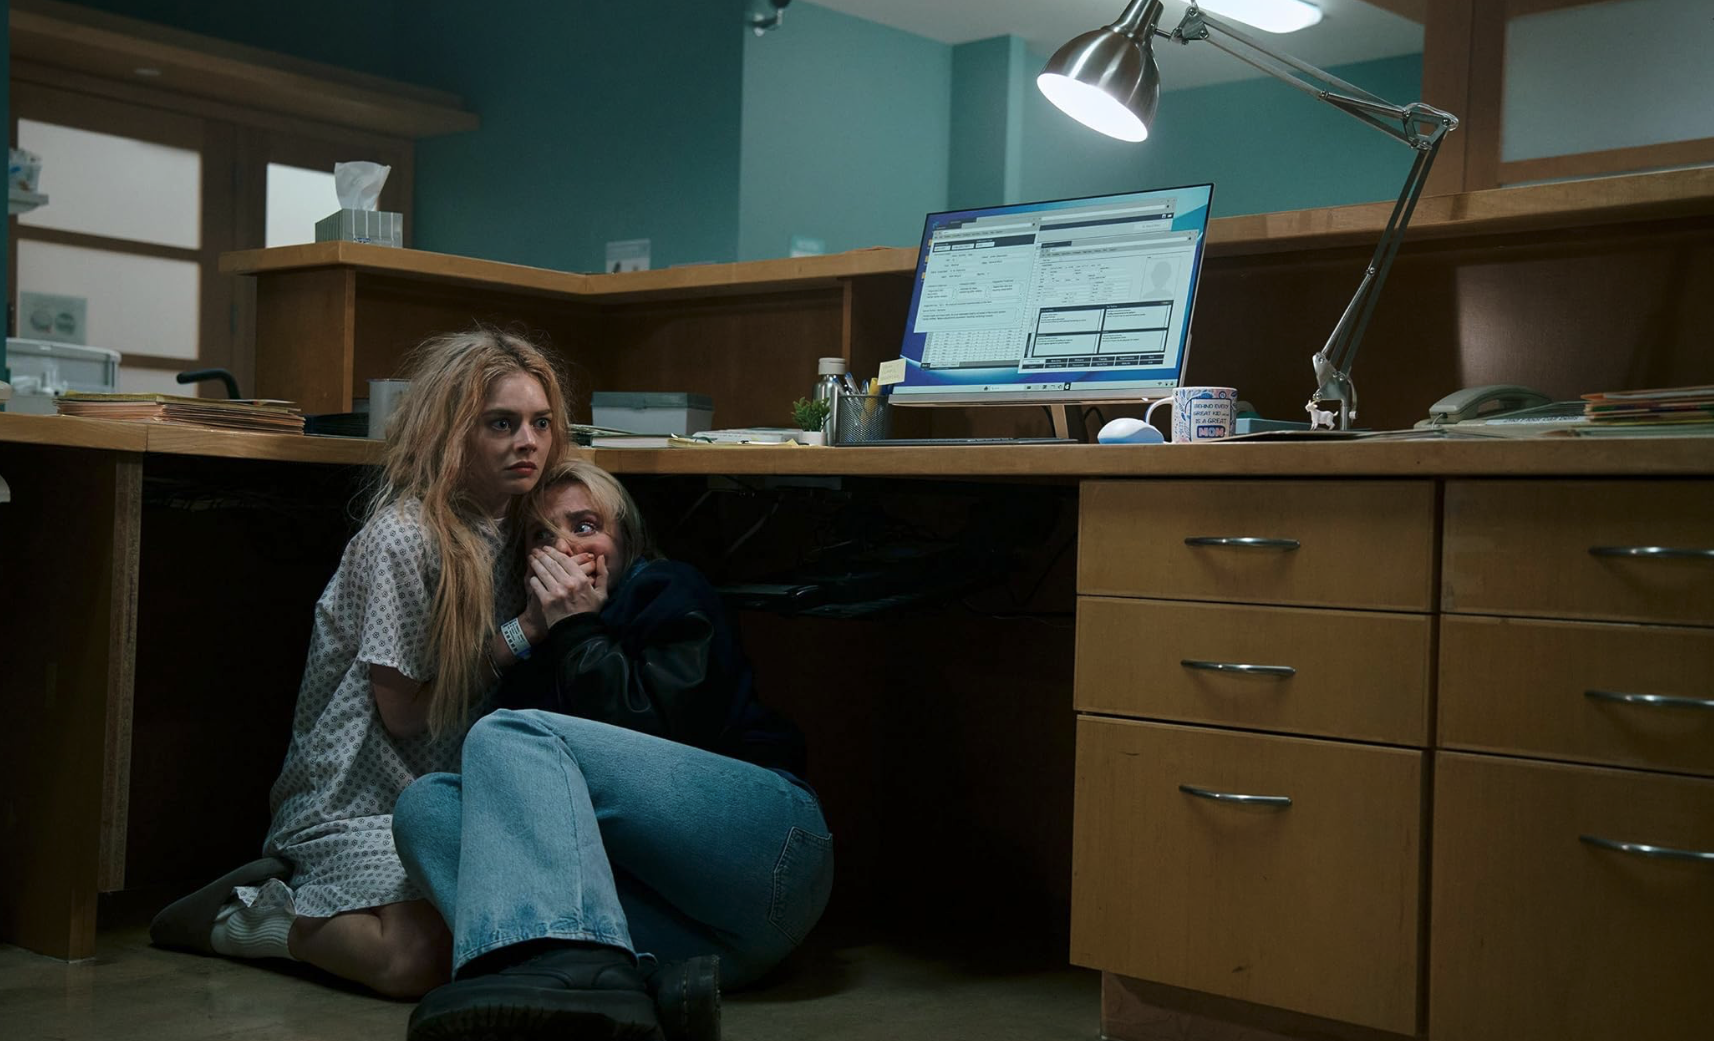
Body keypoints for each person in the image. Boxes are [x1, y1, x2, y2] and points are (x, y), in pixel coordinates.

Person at [150, 328, 572, 998]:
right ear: (452, 432)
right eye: (502, 423)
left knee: (497, 939)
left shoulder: (527, 530)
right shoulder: (403, 538)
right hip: (357, 799)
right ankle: (247, 917)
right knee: (414, 961)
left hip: (457, 793)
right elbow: (403, 715)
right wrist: (523, 633)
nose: (528, 441)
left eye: (540, 423)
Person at [391, 459, 833, 1041]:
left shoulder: (668, 587)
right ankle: (600, 982)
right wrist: (541, 631)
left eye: (585, 527)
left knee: (504, 733)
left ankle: (566, 974)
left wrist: (578, 627)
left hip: (768, 857)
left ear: (626, 540)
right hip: (697, 944)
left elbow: (666, 741)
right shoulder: (541, 649)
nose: (565, 549)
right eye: (541, 538)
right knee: (426, 807)